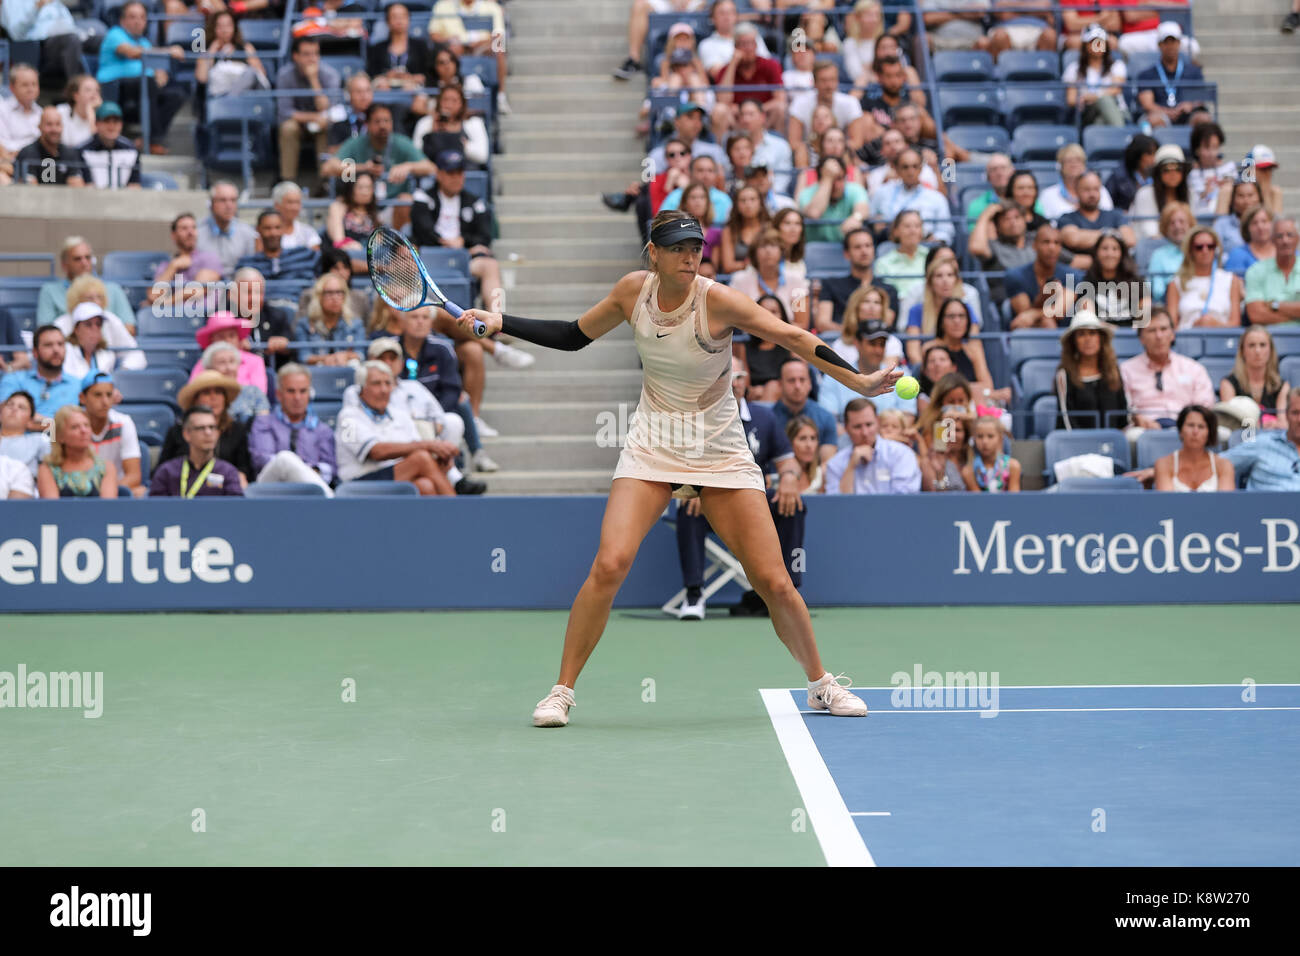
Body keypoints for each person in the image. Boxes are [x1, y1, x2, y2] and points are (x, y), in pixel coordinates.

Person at [453, 210, 902, 725]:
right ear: (654, 253)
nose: (691, 257)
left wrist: (859, 382)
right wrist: (503, 322)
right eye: (679, 248)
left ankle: (821, 684)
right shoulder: (631, 292)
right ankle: (560, 691)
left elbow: (793, 338)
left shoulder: (719, 300)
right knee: (609, 564)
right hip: (653, 443)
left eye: (696, 248)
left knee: (774, 582)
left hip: (719, 448)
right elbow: (575, 335)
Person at [674, 355, 805, 620]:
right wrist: (696, 488)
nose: (734, 384)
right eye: (727, 377)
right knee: (688, 509)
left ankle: (788, 591)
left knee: (793, 506)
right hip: (712, 501)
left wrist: (790, 478)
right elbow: (681, 464)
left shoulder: (764, 418)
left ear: (747, 381)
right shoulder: (697, 418)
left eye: (738, 377)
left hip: (755, 502)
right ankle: (694, 594)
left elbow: (787, 461)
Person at [409, 152, 506, 322]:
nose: (456, 178)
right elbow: (421, 230)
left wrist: (463, 242)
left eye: (460, 173)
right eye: (450, 173)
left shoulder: (476, 202)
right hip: (430, 259)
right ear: (439, 174)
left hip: (464, 258)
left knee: (490, 266)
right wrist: (445, 243)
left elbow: (484, 235)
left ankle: (499, 320)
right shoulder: (423, 197)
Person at [334, 360, 458, 494]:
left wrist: (437, 461)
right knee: (421, 458)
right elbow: (376, 452)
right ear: (361, 388)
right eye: (376, 383)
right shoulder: (347, 418)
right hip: (358, 483)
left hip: (395, 476)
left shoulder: (400, 415)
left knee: (425, 485)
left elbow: (414, 449)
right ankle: (460, 512)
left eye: (388, 383)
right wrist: (429, 445)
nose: (384, 390)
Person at [95, 1, 187, 153]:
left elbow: (156, 69)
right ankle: (155, 140)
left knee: (176, 94)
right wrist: (169, 51)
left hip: (144, 94)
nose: (137, 21)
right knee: (148, 82)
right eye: (132, 17)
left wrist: (160, 74)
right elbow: (133, 53)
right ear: (122, 20)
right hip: (116, 89)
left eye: (142, 17)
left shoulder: (144, 42)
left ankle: (148, 139)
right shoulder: (115, 34)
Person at [247, 363, 337, 495]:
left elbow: (329, 468)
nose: (297, 398)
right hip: (270, 490)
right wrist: (306, 468)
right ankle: (330, 501)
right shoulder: (264, 422)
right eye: (291, 391)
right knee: (284, 459)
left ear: (309, 394)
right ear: (279, 394)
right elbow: (262, 460)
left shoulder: (322, 430)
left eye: (303, 391)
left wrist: (302, 470)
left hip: (308, 492)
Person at [1120, 310, 1216, 429]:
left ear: (1172, 334)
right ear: (1141, 338)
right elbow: (1123, 409)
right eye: (1151, 330)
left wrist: (1187, 425)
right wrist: (1138, 420)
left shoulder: (1194, 368)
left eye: (1164, 329)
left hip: (1187, 429)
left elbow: (1204, 406)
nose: (1159, 336)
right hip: (1143, 429)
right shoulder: (1126, 370)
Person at [161, 370, 254, 485]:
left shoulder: (237, 429)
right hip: (183, 490)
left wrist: (240, 476)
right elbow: (162, 469)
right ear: (195, 400)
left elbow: (244, 468)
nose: (213, 398)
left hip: (226, 489)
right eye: (206, 393)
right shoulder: (177, 431)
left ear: (225, 398)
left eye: (218, 392)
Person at [819, 317, 917, 424]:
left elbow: (908, 418)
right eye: (872, 344)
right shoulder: (835, 376)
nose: (878, 350)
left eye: (882, 344)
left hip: (891, 438)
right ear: (857, 343)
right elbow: (830, 423)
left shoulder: (900, 376)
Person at [275, 36, 341, 182]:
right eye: (306, 54)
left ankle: (325, 182)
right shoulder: (285, 75)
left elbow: (327, 108)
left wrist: (313, 79)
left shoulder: (330, 74)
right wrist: (313, 117)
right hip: (297, 123)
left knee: (327, 126)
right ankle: (288, 181)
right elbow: (284, 112)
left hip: (321, 123)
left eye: (315, 54)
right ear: (295, 56)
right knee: (288, 128)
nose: (312, 59)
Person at [824, 397, 921, 494]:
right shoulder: (835, 464)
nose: (865, 433)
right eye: (857, 427)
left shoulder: (901, 454)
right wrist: (851, 466)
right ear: (846, 428)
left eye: (869, 424)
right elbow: (837, 505)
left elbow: (904, 501)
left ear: (878, 422)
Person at [149, 405, 245, 498]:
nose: (208, 433)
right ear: (186, 434)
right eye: (201, 428)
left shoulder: (228, 472)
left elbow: (235, 511)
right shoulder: (167, 471)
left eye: (212, 427)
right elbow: (155, 510)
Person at [38, 236, 134, 329]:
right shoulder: (49, 291)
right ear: (64, 265)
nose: (84, 263)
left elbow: (129, 328)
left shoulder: (114, 289)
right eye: (77, 259)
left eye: (87, 258)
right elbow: (45, 332)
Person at [1055, 309, 1128, 430]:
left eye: (1092, 333)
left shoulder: (1114, 371)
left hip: (1112, 442)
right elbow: (1066, 421)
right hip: (1076, 444)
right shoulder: (1064, 375)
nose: (1087, 339)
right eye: (1081, 334)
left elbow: (1123, 416)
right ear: (1073, 341)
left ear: (1101, 338)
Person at [815, 228, 901, 330]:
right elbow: (822, 323)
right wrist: (852, 336)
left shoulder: (889, 289)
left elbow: (887, 323)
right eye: (857, 247)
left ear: (874, 250)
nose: (864, 251)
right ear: (847, 254)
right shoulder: (831, 284)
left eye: (868, 246)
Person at [78, 370, 145, 497]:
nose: (105, 401)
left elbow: (134, 476)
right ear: (82, 398)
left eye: (109, 395)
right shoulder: (71, 424)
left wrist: (106, 494)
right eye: (97, 395)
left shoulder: (125, 422)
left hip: (115, 493)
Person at [870, 148, 954, 246]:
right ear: (896, 169)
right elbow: (871, 219)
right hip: (889, 246)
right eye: (905, 167)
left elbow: (946, 231)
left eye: (915, 166)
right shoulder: (882, 192)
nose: (910, 172)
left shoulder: (937, 198)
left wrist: (936, 240)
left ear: (921, 168)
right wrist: (875, 223)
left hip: (925, 248)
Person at [728, 229, 810, 328]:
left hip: (786, 340)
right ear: (754, 253)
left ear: (781, 251)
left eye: (773, 245)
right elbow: (735, 322)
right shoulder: (740, 280)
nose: (768, 250)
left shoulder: (796, 280)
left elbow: (802, 324)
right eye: (762, 246)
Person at [0, 324, 82, 420]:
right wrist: (54, 425)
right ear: (35, 352)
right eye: (48, 345)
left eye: (60, 344)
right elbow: (4, 415)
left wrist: (31, 420)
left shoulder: (77, 384)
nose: (56, 350)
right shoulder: (14, 380)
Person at [1166, 227, 1242, 329]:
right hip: (1187, 340)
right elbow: (1171, 326)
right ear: (1190, 251)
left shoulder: (1231, 280)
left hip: (1222, 340)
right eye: (1199, 247)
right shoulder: (1176, 283)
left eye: (1210, 246)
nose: (1205, 250)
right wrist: (1193, 327)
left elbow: (1235, 324)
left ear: (1216, 250)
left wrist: (1214, 325)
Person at [1223, 391, 1300, 490]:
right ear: (1286, 415)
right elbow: (1217, 464)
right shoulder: (1263, 443)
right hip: (1266, 504)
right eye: (1295, 413)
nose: (1299, 420)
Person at [37, 405, 117, 499]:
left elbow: (108, 509)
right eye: (75, 427)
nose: (83, 431)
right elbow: (53, 510)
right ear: (60, 436)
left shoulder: (106, 467)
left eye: (86, 425)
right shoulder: (47, 469)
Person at [1135, 22, 1206, 128]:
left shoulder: (1193, 71)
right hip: (1160, 115)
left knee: (1203, 119)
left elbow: (1200, 99)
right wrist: (1167, 112)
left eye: (1173, 41)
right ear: (1159, 45)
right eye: (1166, 42)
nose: (1170, 46)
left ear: (1179, 43)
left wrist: (1190, 105)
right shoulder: (1147, 74)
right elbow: (1147, 104)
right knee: (1154, 120)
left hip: (1186, 115)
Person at [1056, 171, 1137, 263]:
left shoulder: (1116, 215)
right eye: (1086, 189)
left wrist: (1086, 238)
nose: (1092, 194)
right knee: (1067, 276)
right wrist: (1111, 233)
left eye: (1096, 189)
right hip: (1076, 273)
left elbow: (1130, 239)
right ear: (1076, 191)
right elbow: (1073, 239)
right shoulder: (1067, 218)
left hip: (1111, 274)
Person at [0, 1, 82, 92]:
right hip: (39, 45)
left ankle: (89, 88)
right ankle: (77, 90)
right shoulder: (12, 2)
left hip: (68, 34)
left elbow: (68, 21)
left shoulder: (54, 2)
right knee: (71, 40)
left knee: (97, 40)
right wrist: (36, 8)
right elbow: (16, 33)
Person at [146, 213, 225, 306]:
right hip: (171, 316)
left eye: (194, 228)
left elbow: (198, 290)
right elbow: (153, 296)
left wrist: (165, 302)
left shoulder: (209, 258)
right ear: (174, 235)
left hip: (203, 315)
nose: (190, 232)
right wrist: (173, 267)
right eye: (184, 228)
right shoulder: (166, 266)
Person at [56, 300, 146, 380]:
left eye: (98, 324)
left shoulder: (107, 353)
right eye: (88, 324)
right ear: (76, 329)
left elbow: (139, 358)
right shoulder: (65, 351)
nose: (95, 329)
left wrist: (122, 373)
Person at [1153, 404, 1235, 491]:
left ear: (1209, 433)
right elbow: (1166, 503)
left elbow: (1226, 503)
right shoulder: (1164, 464)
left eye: (1201, 426)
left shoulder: (1224, 466)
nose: (1195, 432)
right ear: (1180, 430)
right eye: (1190, 425)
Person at [1007, 225, 1075, 330]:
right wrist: (1042, 298)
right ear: (1034, 246)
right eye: (1046, 242)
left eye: (1056, 243)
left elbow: (1059, 311)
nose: (1051, 248)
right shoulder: (1016, 275)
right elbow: (1024, 317)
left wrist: (1034, 313)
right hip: (1030, 334)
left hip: (1068, 335)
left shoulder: (1073, 275)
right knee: (1046, 322)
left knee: (1047, 322)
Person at [1064, 25, 1130, 128]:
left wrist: (1093, 96)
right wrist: (1084, 99)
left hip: (1117, 110)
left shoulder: (1117, 65)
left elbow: (1116, 89)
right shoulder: (1074, 68)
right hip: (1089, 112)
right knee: (1104, 100)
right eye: (1093, 42)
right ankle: (1120, 132)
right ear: (1085, 45)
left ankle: (1115, 133)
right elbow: (1071, 100)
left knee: (1100, 120)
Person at [188, 312, 268, 395]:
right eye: (221, 337)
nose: (227, 341)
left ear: (238, 338)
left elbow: (259, 394)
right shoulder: (203, 363)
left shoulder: (255, 361)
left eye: (231, 336)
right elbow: (193, 394)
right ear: (212, 340)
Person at [194, 9, 269, 97]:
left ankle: (229, 100)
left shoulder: (246, 47)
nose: (224, 30)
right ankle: (228, 101)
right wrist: (212, 51)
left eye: (228, 25)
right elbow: (202, 78)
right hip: (219, 92)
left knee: (251, 72)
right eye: (220, 26)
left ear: (234, 27)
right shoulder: (207, 51)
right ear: (214, 28)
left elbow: (260, 74)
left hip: (244, 95)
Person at [411, 85, 490, 169]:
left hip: (464, 172)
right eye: (445, 100)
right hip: (433, 173)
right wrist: (432, 133)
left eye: (454, 101)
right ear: (439, 101)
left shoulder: (473, 123)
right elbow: (416, 156)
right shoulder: (426, 122)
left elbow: (483, 156)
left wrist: (463, 144)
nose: (449, 105)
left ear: (462, 103)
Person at [1079, 230, 1148, 327]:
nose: (1109, 254)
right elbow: (1088, 319)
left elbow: (1144, 320)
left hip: (1132, 339)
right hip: (1100, 337)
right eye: (1104, 248)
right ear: (1097, 252)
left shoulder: (1137, 282)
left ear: (1122, 253)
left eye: (1115, 249)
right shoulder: (1087, 283)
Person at [1221, 327, 1289, 423]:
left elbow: (1283, 424)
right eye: (1251, 345)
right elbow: (1230, 422)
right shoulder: (1228, 384)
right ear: (1242, 351)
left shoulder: (1282, 386)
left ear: (1270, 350)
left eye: (1263, 345)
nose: (1257, 351)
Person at [235, 210, 320, 283]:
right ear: (258, 229)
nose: (273, 233)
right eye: (267, 228)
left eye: (277, 227)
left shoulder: (303, 256)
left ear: (283, 229)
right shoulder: (246, 264)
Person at [1244, 217, 1300, 325]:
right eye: (1279, 236)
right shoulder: (1256, 271)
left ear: (1298, 239)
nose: (1285, 241)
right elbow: (1256, 315)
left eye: (1290, 235)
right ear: (1272, 241)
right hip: (1269, 338)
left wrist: (1275, 305)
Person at [197, 182, 259, 279]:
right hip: (205, 288)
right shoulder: (197, 232)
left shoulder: (247, 233)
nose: (229, 205)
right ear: (211, 203)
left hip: (237, 289)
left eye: (233, 200)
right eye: (222, 200)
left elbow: (250, 268)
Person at [833, 283, 905, 367]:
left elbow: (888, 374)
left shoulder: (892, 342)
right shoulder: (840, 344)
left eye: (877, 302)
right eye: (866, 301)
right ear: (855, 307)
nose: (872, 306)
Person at [1038, 144, 1116, 221]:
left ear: (1085, 165)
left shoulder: (1100, 190)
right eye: (1068, 161)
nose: (1074, 164)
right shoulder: (1048, 195)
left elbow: (1108, 220)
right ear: (1060, 166)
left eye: (1078, 160)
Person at [367, 3, 433, 91]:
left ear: (409, 19)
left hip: (413, 89)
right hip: (385, 89)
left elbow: (428, 73)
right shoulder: (377, 48)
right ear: (387, 21)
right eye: (394, 17)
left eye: (403, 16)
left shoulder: (420, 46)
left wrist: (411, 77)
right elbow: (371, 74)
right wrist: (387, 76)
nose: (399, 20)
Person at [1132, 145, 1191, 242]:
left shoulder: (1190, 193)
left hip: (1186, 245)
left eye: (1178, 168)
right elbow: (1149, 231)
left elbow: (1195, 225)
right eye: (1166, 169)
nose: (1173, 173)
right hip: (1152, 246)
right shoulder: (1144, 194)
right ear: (1158, 173)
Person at [200, 342, 270, 422]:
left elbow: (263, 424)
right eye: (222, 362)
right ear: (209, 369)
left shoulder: (253, 392)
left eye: (232, 361)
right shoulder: (203, 395)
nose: (229, 368)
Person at [16, 106, 86, 186]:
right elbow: (30, 191)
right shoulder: (28, 153)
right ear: (39, 127)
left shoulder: (69, 153)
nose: (54, 129)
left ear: (62, 127)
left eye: (58, 124)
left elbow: (77, 188)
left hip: (65, 198)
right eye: (49, 124)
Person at [1144, 201, 1194, 304]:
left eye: (1181, 221)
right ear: (1165, 229)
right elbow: (1157, 291)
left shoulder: (1201, 249)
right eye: (1172, 223)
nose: (1177, 226)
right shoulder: (1158, 255)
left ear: (1190, 224)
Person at [873, 210, 930, 301]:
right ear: (896, 231)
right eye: (907, 226)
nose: (913, 231)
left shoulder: (932, 257)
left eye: (917, 226)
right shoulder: (883, 263)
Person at [0, 63, 41, 182]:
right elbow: (3, 144)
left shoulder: (42, 113)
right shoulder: (2, 110)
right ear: (12, 87)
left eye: (34, 84)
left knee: (51, 172)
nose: (31, 89)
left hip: (38, 165)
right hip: (9, 164)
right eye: (25, 85)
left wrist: (20, 150)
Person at [963, 414, 1020, 491]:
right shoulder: (968, 471)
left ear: (1000, 439)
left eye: (990, 436)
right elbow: (978, 501)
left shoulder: (1013, 466)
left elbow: (1014, 500)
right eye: (980, 436)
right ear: (974, 439)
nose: (985, 442)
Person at [0, 390, 49, 477]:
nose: (14, 409)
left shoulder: (39, 441)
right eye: (10, 405)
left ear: (30, 421)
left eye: (21, 407)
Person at [1107, 133, 1158, 214]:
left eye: (1155, 153)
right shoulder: (1118, 177)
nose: (1154, 159)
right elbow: (1107, 208)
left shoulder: (1161, 177)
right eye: (1149, 154)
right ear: (1137, 155)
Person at [1215, 181, 1266, 260]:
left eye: (1250, 195)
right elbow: (1215, 252)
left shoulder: (1269, 223)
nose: (1246, 201)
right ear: (1233, 199)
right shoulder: (1221, 224)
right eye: (1241, 196)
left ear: (1259, 197)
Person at [273, 182, 323, 253]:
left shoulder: (308, 231)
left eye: (297, 202)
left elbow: (315, 258)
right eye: (290, 202)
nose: (295, 207)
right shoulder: (268, 232)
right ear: (277, 205)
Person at [57, 74, 103, 151]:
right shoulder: (60, 112)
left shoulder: (102, 117)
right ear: (76, 95)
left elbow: (98, 146)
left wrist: (90, 112)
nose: (94, 94)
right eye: (88, 90)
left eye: (97, 90)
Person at [784, 414, 824, 494]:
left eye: (813, 438)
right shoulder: (778, 476)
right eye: (802, 438)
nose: (809, 445)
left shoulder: (822, 475)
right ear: (790, 442)